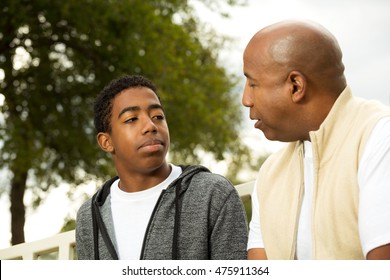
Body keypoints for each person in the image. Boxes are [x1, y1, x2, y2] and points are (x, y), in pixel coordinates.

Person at [242, 20, 390, 260]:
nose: (246, 99)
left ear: (295, 85)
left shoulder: (379, 139)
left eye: (253, 84)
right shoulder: (270, 172)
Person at [75, 75, 248, 260]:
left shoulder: (212, 194)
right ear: (106, 142)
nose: (150, 126)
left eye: (158, 116)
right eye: (132, 119)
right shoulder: (89, 217)